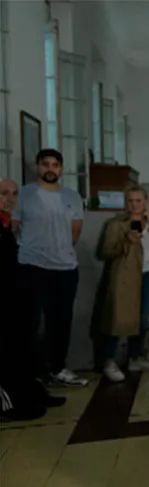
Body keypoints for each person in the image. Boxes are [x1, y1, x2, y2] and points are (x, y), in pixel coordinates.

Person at [12, 149, 88, 387]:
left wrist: (59, 248)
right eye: (46, 164)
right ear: (38, 167)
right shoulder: (24, 194)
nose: (50, 169)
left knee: (61, 321)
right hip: (32, 266)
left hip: (65, 268)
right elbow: (14, 226)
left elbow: (75, 231)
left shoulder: (72, 197)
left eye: (55, 165)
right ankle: (29, 373)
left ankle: (57, 368)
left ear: (61, 169)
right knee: (29, 322)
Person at [0, 177, 65, 421]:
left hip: (14, 298)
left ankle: (29, 392)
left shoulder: (6, 225)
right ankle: (8, 404)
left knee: (24, 348)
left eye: (14, 193)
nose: (10, 198)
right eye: (4, 193)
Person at [95, 185, 149, 382]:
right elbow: (105, 251)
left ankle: (135, 357)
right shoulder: (116, 224)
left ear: (145, 202)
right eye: (130, 201)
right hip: (125, 277)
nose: (134, 205)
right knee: (118, 317)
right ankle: (109, 361)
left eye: (138, 201)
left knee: (142, 319)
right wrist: (125, 242)